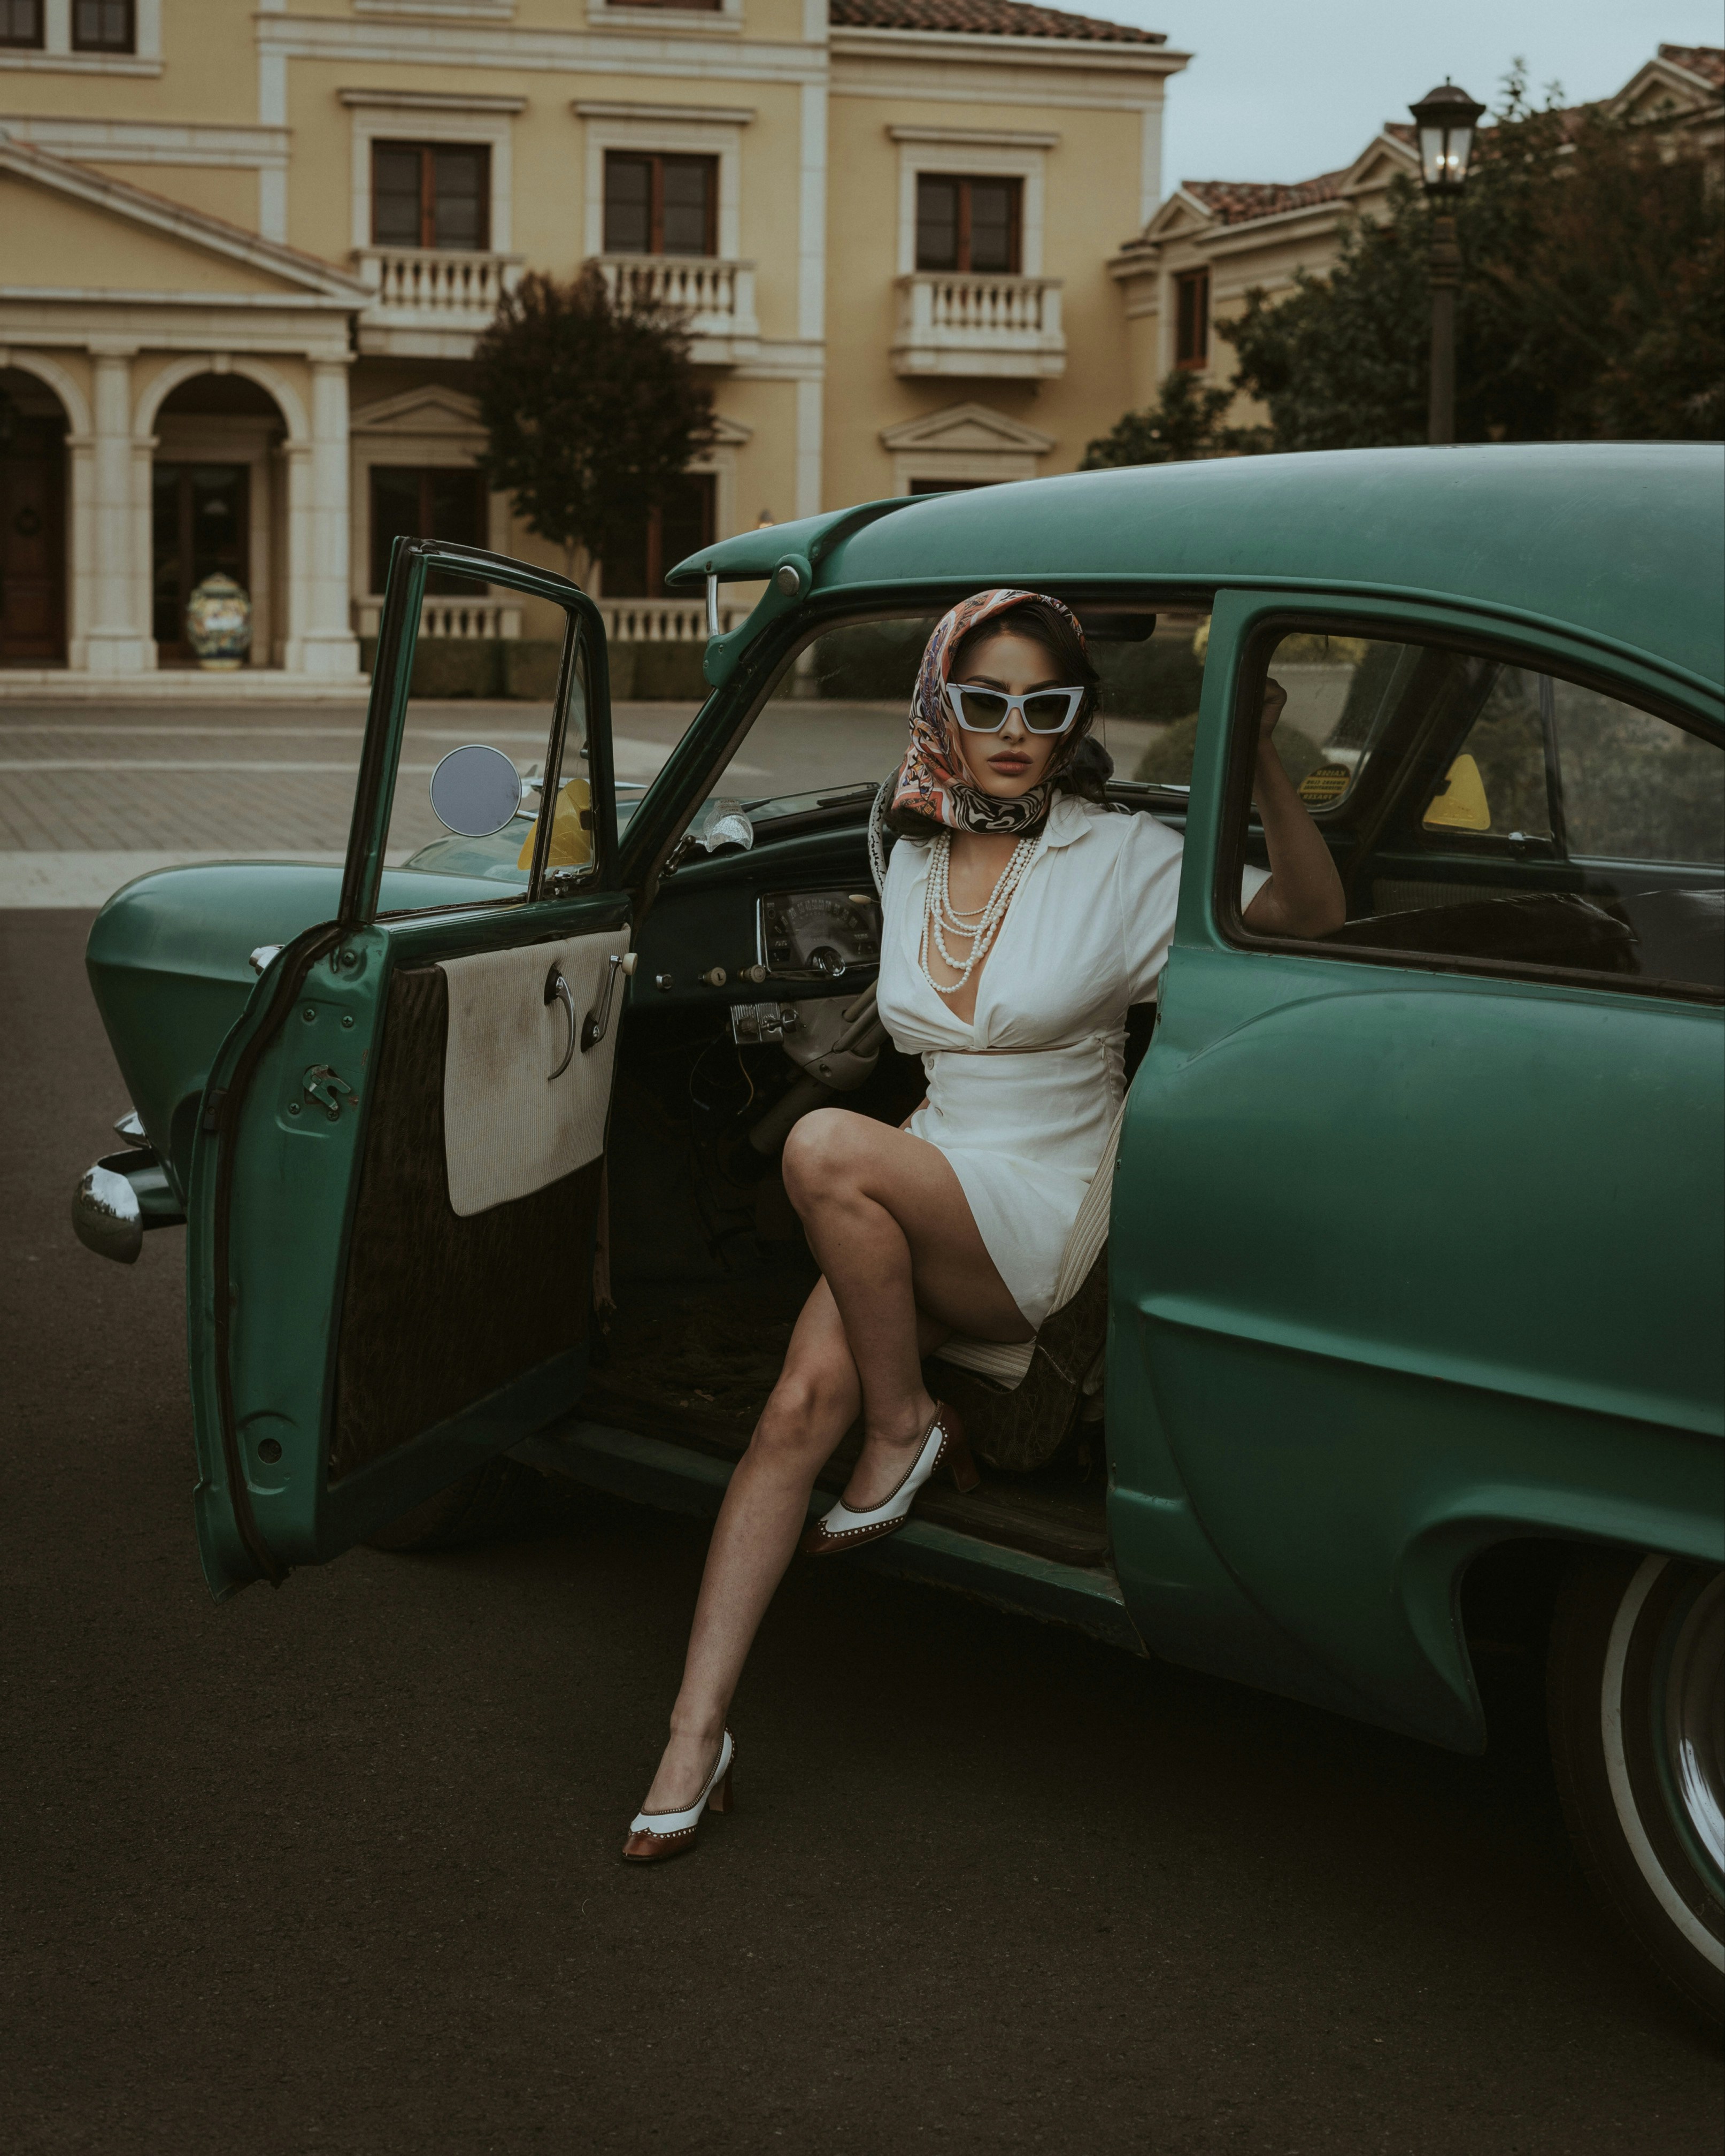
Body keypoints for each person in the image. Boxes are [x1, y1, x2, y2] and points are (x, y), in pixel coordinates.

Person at [622, 588, 1345, 1860]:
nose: (1013, 730)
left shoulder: (1122, 856)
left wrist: (1260, 757)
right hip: (924, 1174)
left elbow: (1310, 917)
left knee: (822, 1147)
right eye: (985, 701)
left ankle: (901, 1427)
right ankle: (694, 1732)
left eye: (1044, 707)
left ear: (1074, 726)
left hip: (1049, 1213)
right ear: (941, 711)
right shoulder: (899, 856)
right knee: (789, 1414)